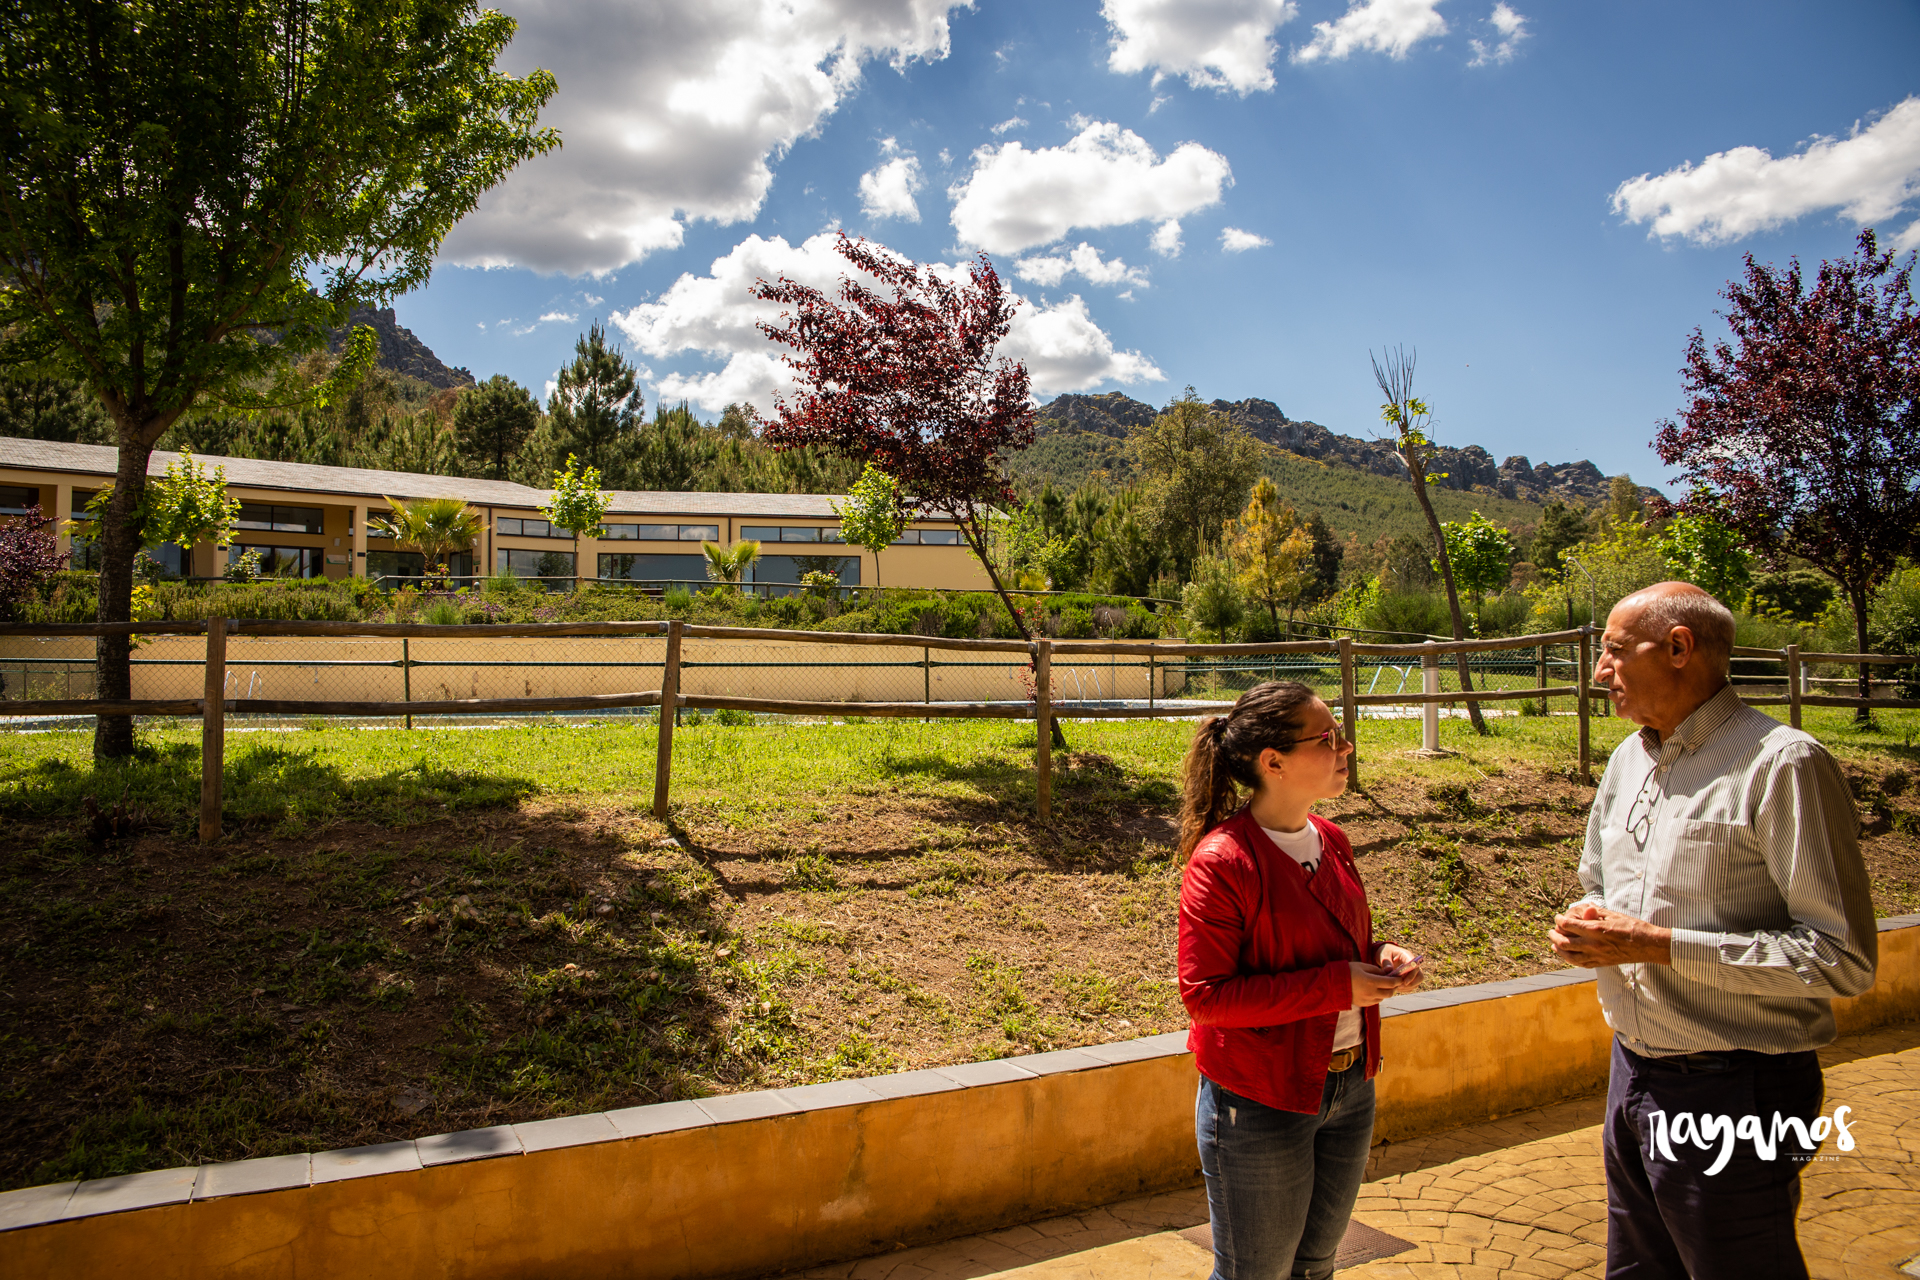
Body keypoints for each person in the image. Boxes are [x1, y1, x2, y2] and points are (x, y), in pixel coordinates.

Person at [1548, 582, 1878, 1280]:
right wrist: (1590, 922)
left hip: (1739, 1086)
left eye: (1611, 653)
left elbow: (1842, 959)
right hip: (1633, 1073)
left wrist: (1657, 947)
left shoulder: (1782, 765)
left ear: (1677, 648)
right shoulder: (1628, 759)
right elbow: (1599, 882)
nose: (1598, 672)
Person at [1178, 681, 1423, 1280]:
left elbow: (1340, 943)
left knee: (1315, 1268)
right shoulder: (1224, 861)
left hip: (1349, 1089)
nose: (1346, 747)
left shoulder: (1331, 840)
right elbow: (1205, 999)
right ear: (1274, 762)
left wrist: (1383, 954)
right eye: (1328, 737)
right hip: (1260, 1100)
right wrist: (1339, 986)